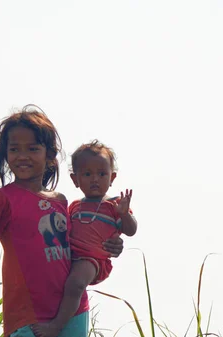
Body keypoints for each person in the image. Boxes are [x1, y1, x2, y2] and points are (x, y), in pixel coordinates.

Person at [0, 105, 124, 337]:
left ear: (50, 155)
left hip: (72, 311)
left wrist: (113, 243)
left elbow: (82, 241)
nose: (22, 156)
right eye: (14, 149)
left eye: (32, 148)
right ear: (5, 154)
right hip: (27, 315)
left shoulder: (61, 202)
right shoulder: (2, 199)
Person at [33, 139, 137, 337]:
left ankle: (56, 326)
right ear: (75, 180)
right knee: (57, 284)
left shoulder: (113, 205)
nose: (95, 179)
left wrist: (124, 214)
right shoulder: (74, 206)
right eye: (87, 174)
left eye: (102, 174)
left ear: (112, 177)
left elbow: (130, 230)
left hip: (92, 258)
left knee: (75, 285)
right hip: (69, 256)